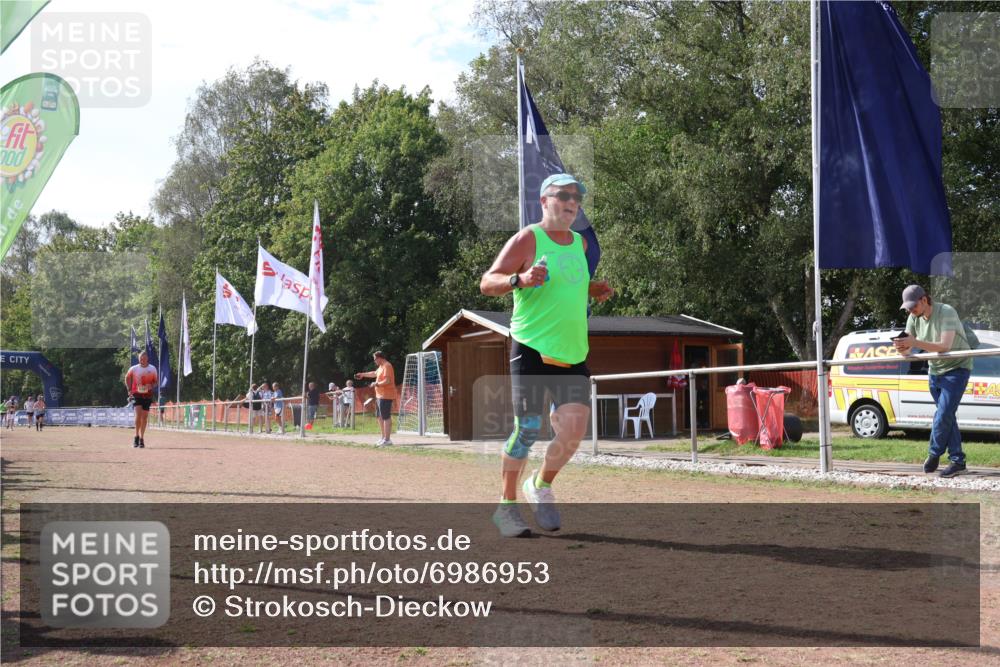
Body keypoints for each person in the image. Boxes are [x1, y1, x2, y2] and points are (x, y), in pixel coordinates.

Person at [480, 173, 613, 537]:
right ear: (544, 201)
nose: (572, 202)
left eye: (577, 197)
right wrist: (518, 281)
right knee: (528, 430)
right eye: (564, 195)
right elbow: (487, 281)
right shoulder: (528, 238)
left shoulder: (581, 245)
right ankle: (506, 508)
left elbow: (570, 284)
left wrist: (592, 287)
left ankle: (539, 483)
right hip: (532, 349)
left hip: (572, 353)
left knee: (572, 433)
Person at [893, 284, 974, 478]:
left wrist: (914, 343)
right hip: (935, 371)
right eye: (908, 308)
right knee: (947, 416)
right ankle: (958, 460)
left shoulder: (946, 311)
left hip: (957, 368)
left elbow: (944, 346)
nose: (911, 310)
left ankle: (934, 453)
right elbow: (908, 350)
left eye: (913, 306)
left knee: (943, 414)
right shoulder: (913, 317)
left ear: (924, 299)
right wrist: (901, 346)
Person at [355, 351, 397, 446]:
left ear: (379, 358)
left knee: (386, 417)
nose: (374, 361)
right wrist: (362, 374)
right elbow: (374, 373)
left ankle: (387, 440)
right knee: (379, 416)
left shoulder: (387, 366)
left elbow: (388, 380)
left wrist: (376, 383)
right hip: (379, 395)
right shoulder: (381, 367)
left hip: (386, 395)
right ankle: (383, 437)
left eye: (375, 359)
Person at [125, 350, 158, 448]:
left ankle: (142, 438)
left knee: (144, 417)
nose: (141, 360)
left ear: (147, 359)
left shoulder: (152, 369)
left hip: (147, 395)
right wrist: (129, 389)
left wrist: (151, 386)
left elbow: (156, 382)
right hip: (136, 394)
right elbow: (127, 377)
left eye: (143, 359)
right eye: (140, 359)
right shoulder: (134, 369)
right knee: (138, 415)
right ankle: (136, 436)